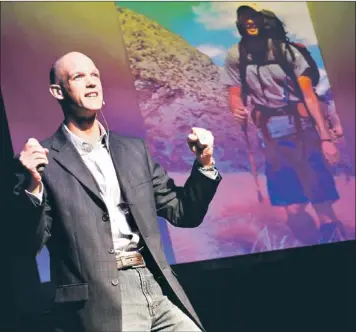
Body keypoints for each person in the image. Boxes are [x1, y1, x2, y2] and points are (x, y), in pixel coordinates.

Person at [10, 51, 222, 332]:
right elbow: (28, 245)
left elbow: (184, 212)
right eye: (78, 77)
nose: (91, 83)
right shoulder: (43, 161)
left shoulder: (134, 150)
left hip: (154, 285)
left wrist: (204, 164)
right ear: (57, 91)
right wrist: (32, 186)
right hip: (101, 300)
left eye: (94, 75)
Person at [222, 4, 346, 244]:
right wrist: (236, 108)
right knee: (293, 209)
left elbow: (308, 96)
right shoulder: (236, 56)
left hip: (304, 134)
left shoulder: (288, 52)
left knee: (321, 203)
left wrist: (326, 139)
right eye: (245, 19)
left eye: (255, 19)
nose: (250, 23)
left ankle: (336, 250)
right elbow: (235, 93)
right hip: (272, 138)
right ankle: (311, 249)